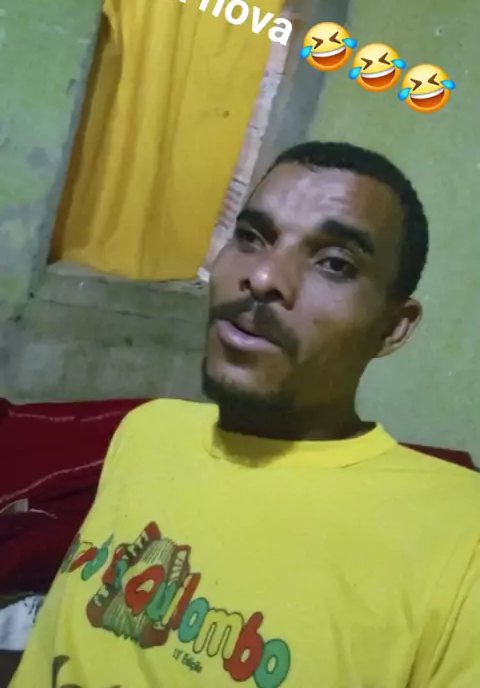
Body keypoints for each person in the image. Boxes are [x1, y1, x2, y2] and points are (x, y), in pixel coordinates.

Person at [10, 141, 480, 688]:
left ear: (392, 328)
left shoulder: (461, 538)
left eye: (335, 263)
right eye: (252, 237)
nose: (262, 278)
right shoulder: (146, 430)